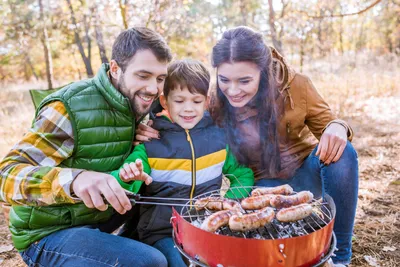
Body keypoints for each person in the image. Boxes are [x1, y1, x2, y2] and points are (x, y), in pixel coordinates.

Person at [0, 27, 172, 266]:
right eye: (143, 76)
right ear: (115, 69)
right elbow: (6, 176)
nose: (154, 89)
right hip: (47, 233)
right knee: (151, 262)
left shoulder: (141, 105)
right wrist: (76, 179)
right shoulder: (69, 108)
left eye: (160, 78)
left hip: (101, 217)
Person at [209, 26, 358, 266]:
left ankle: (340, 257)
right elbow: (186, 120)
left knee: (344, 154)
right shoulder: (215, 100)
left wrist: (338, 126)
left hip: (305, 175)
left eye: (244, 80)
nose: (233, 91)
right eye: (224, 80)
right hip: (261, 187)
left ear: (263, 72)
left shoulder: (297, 85)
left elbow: (329, 125)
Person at [110, 59, 254, 267]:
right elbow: (126, 180)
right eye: (179, 101)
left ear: (206, 101)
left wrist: (228, 204)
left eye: (196, 101)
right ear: (165, 101)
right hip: (163, 232)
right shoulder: (150, 143)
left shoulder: (218, 139)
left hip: (206, 228)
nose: (188, 109)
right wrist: (126, 177)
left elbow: (242, 174)